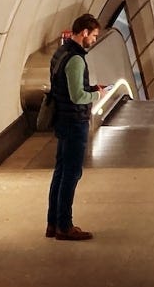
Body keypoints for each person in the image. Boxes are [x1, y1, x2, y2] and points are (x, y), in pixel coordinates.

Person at [46, 13, 108, 240]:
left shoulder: (60, 53)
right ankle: (65, 226)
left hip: (63, 119)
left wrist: (91, 87)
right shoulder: (76, 59)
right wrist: (96, 94)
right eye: (93, 35)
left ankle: (53, 224)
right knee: (71, 174)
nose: (94, 40)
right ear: (84, 33)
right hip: (74, 122)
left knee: (60, 172)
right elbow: (77, 95)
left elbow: (65, 85)